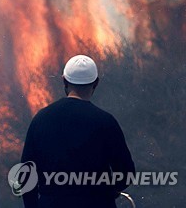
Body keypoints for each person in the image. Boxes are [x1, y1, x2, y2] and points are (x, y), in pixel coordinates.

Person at [21, 55, 135, 208]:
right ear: (96, 83)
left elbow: (26, 174)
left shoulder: (41, 119)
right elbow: (126, 173)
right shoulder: (106, 121)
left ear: (64, 81)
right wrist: (106, 192)